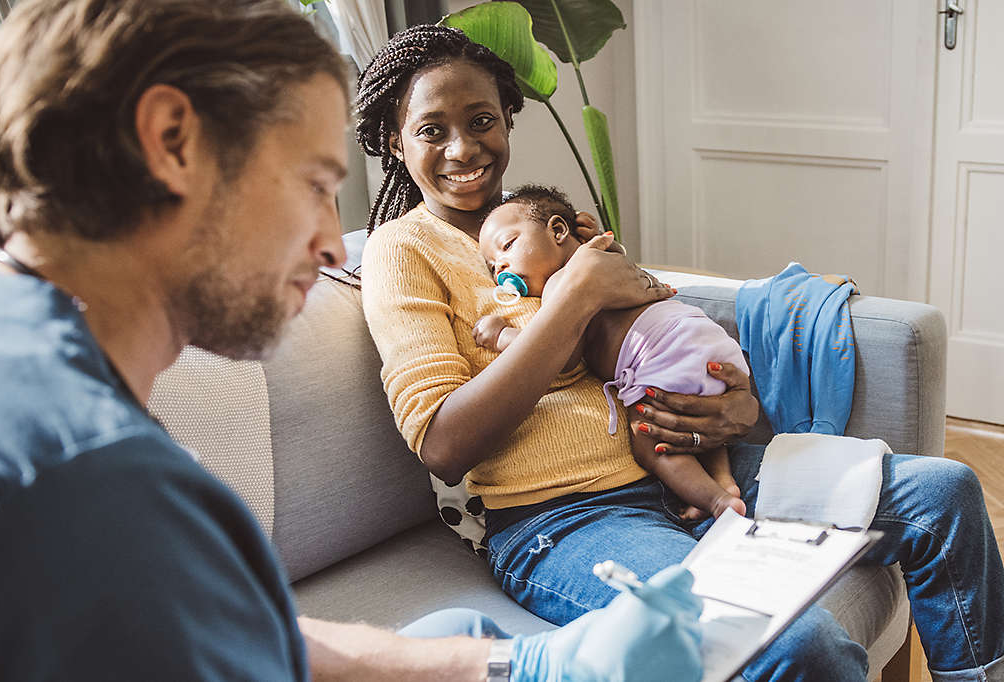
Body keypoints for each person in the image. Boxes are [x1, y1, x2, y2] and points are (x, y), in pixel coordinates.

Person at [0, 1, 707, 680]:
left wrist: (497, 665)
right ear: (173, 143)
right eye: (312, 183)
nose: (335, 245)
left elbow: (244, 631)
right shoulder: (73, 463)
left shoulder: (46, 365)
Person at [357, 23, 1004, 681]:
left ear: (508, 123)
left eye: (482, 120)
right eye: (432, 130)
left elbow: (655, 338)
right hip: (563, 519)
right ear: (392, 139)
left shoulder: (558, 231)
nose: (463, 147)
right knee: (797, 641)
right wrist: (572, 298)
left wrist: (735, 402)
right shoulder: (401, 251)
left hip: (677, 463)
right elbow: (441, 442)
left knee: (944, 492)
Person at [473, 185, 748, 520]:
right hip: (701, 338)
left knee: (652, 444)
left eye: (508, 246)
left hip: (660, 351)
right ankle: (722, 481)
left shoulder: (564, 283)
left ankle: (717, 502)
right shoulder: (608, 261)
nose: (501, 266)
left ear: (559, 230)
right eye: (492, 266)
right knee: (697, 421)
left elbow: (562, 355)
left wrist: (503, 335)